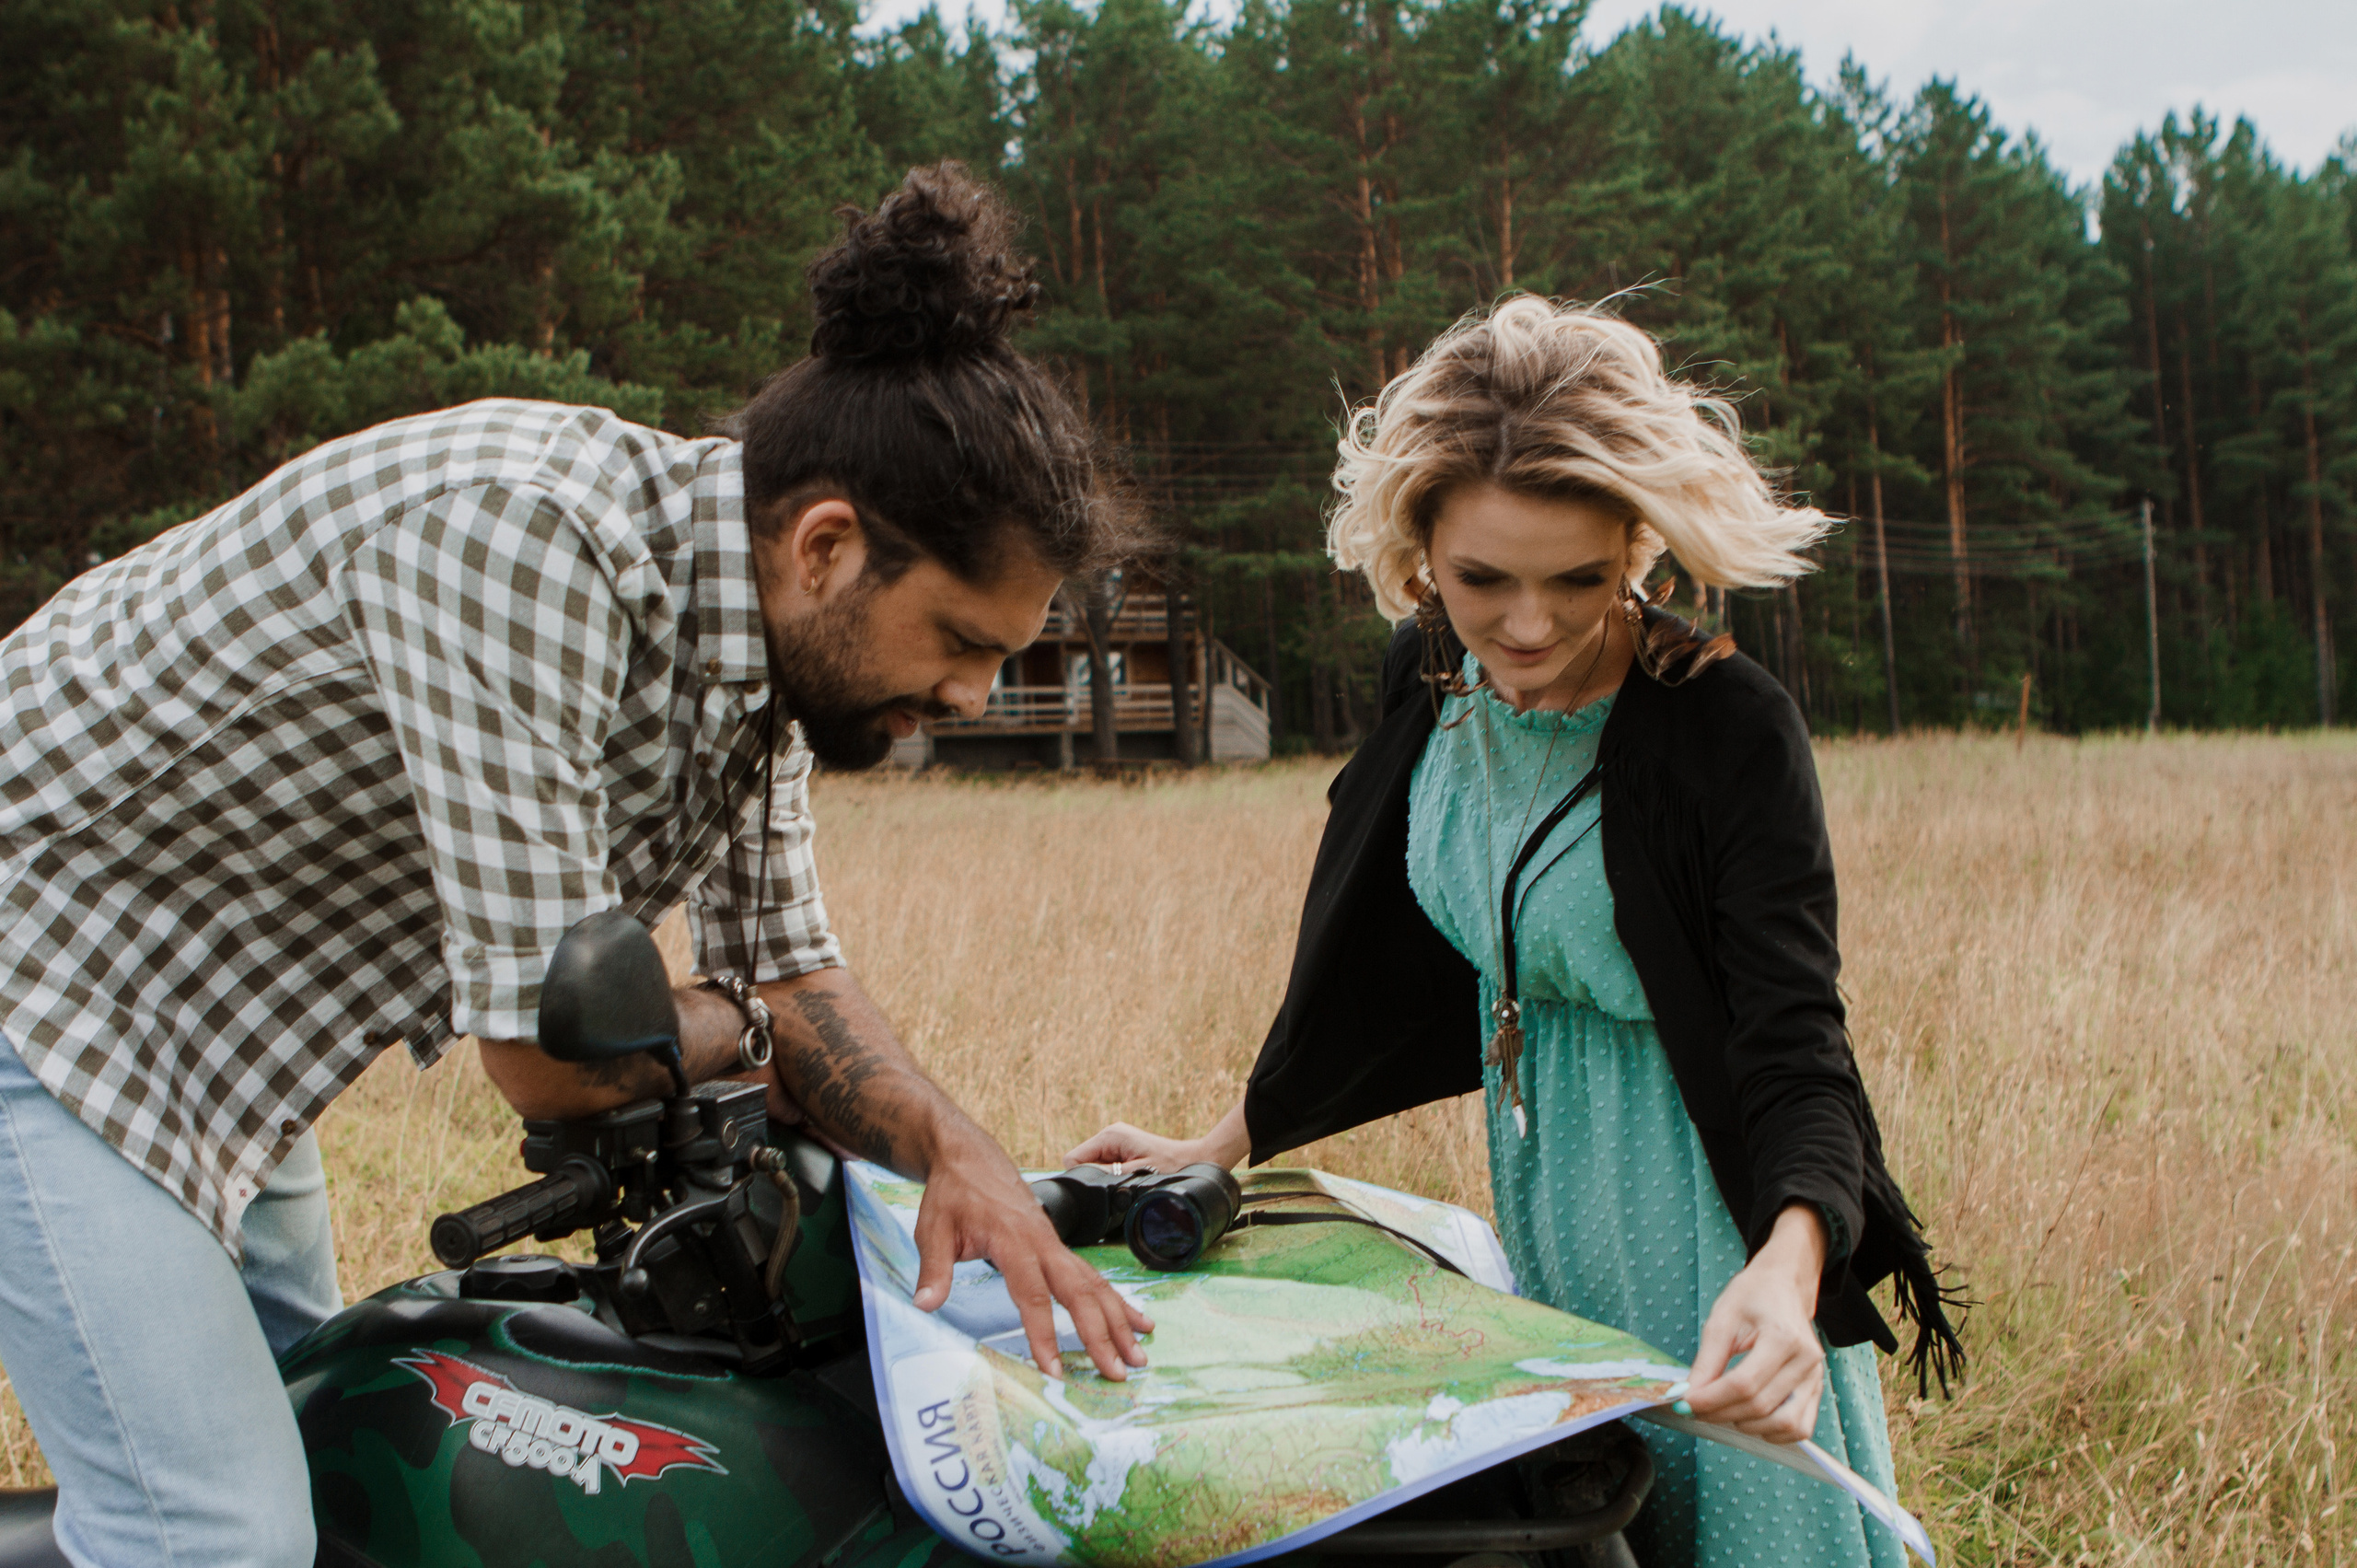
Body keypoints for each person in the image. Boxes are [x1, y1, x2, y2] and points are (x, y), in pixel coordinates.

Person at [0, 163, 1153, 1568]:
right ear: (828, 547)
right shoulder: (528, 546)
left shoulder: (764, 657)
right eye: (964, 642)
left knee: (336, 1446)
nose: (975, 694)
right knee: (212, 1534)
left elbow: (786, 967)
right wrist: (744, 1026)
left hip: (225, 1027)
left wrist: (963, 1160)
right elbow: (557, 1058)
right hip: (44, 983)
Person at [1072, 296, 1962, 1565]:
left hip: (1706, 1210)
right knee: (1581, 1526)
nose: (1530, 628)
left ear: (1640, 550)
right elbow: (1369, 955)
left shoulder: (1725, 731)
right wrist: (1224, 1144)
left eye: (1581, 581)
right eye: (1485, 578)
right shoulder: (1429, 679)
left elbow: (1795, 1037)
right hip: (1547, 1185)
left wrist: (1788, 1259)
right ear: (1418, 547)